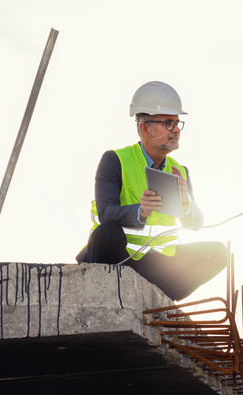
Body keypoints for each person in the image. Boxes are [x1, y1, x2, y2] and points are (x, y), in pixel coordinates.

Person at [76, 81, 227, 300]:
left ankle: (160, 291)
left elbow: (196, 224)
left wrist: (185, 202)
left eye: (177, 123)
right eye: (168, 123)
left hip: (158, 265)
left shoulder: (180, 171)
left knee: (218, 253)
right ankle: (124, 286)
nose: (176, 130)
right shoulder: (115, 160)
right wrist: (140, 211)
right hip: (120, 256)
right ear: (145, 127)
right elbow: (106, 211)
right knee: (107, 233)